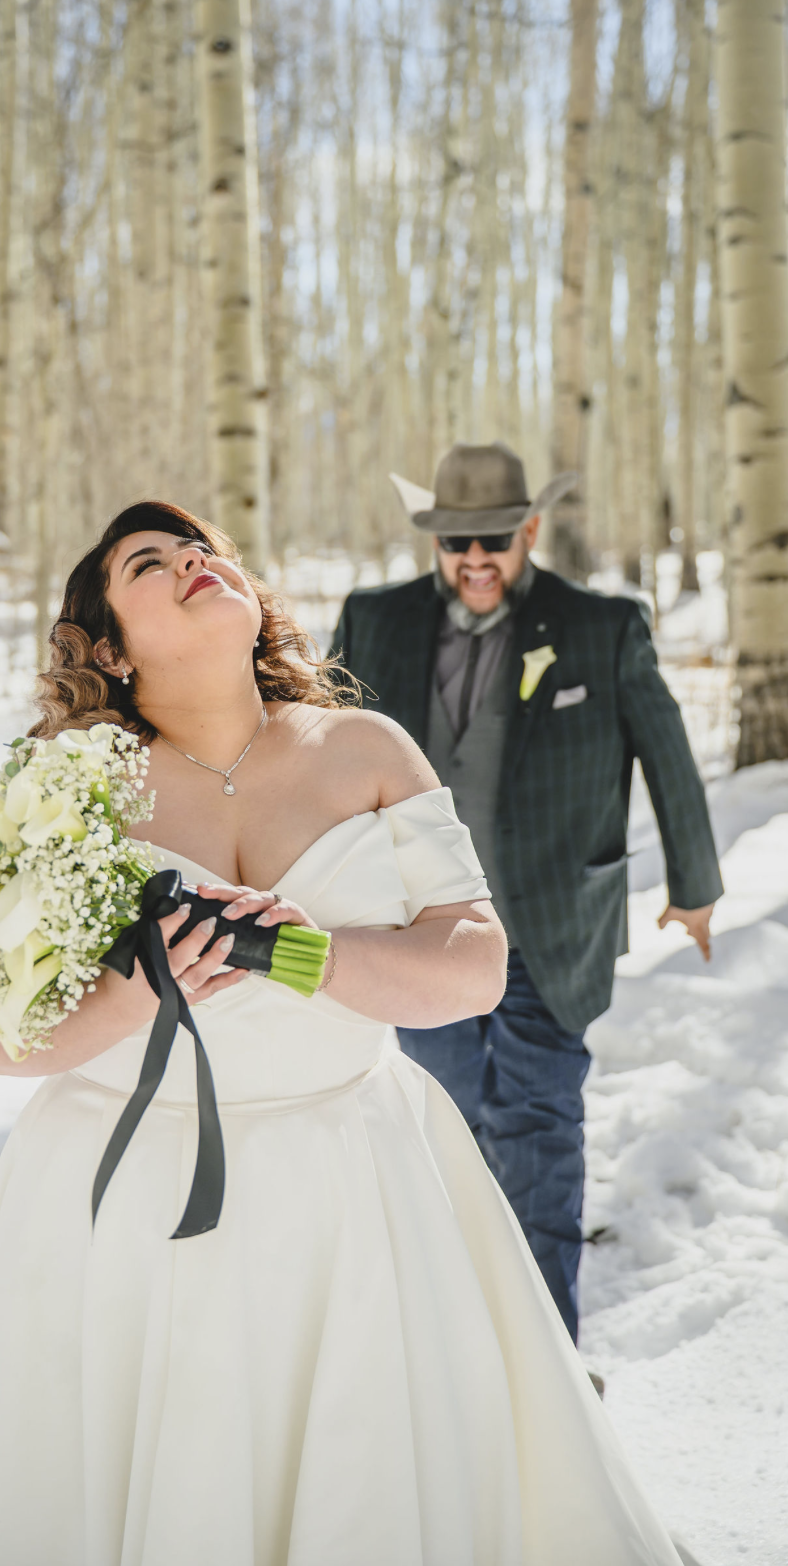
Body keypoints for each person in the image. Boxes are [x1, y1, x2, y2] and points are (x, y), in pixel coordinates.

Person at [0, 499, 684, 1565]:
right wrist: (147, 994)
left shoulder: (366, 749)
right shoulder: (59, 791)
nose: (193, 558)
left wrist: (314, 954)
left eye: (206, 549)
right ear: (106, 645)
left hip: (353, 1181)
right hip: (125, 1196)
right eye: (151, 561)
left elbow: (475, 965)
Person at [331, 442, 724, 1343]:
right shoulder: (373, 619)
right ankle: (456, 1350)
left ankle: (549, 1356)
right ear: (435, 542)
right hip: (417, 934)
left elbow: (666, 754)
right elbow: (317, 745)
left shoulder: (602, 626)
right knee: (444, 1128)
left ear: (531, 532)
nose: (476, 560)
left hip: (551, 929)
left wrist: (694, 887)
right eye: (457, 542)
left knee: (540, 1131)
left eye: (496, 541)